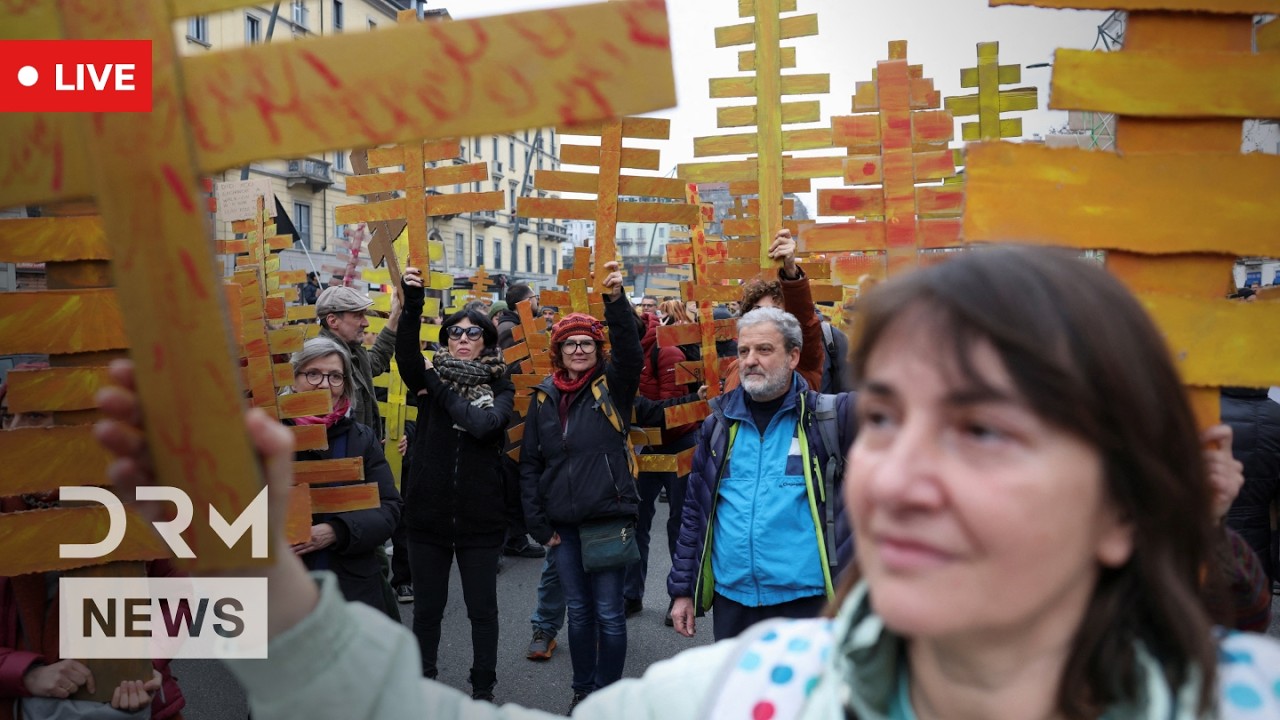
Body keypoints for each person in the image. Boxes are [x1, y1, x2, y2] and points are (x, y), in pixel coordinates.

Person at [94, 246, 1280, 720]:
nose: (902, 475)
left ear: (1126, 503)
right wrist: (250, 574)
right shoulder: (752, 694)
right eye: (887, 419)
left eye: (983, 434)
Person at [1, 364, 186, 720]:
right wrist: (26, 672)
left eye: (37, 415)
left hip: (123, 700)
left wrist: (143, 662)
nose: (15, 431)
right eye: (6, 417)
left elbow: (176, 593)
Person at [668, 307, 855, 641]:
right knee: (739, 694)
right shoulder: (718, 426)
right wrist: (682, 590)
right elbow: (695, 513)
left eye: (764, 350)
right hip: (733, 602)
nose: (750, 360)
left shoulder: (828, 417)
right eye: (743, 351)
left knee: (800, 695)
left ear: (793, 356)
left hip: (805, 603)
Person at [519, 261, 642, 711]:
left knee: (610, 614)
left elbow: (630, 353)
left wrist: (615, 301)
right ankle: (582, 692)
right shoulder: (544, 397)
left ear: (597, 348)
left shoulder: (613, 387)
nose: (577, 350)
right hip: (562, 526)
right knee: (580, 612)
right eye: (569, 344)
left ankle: (609, 698)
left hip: (609, 518)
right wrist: (537, 524)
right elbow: (530, 464)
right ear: (558, 351)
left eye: (586, 343)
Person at [395, 267, 515, 702]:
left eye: (473, 333)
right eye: (454, 333)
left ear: (486, 341)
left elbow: (483, 425)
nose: (462, 339)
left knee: (483, 612)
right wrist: (413, 302)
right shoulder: (423, 375)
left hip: (481, 521)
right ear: (446, 340)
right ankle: (422, 687)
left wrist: (436, 386)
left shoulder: (501, 384)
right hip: (427, 518)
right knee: (427, 613)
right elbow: (406, 353)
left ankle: (482, 690)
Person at [284, 337, 402, 620]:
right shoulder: (267, 438)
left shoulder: (360, 438)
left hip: (352, 588)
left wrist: (337, 531)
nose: (324, 385)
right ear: (293, 378)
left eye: (335, 376)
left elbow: (389, 509)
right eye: (313, 374)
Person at [623, 312, 701, 622]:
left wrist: (628, 411)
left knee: (680, 522)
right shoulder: (619, 355)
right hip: (642, 445)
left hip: (678, 443)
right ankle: (631, 595)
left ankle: (679, 597)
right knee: (635, 520)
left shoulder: (666, 350)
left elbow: (673, 410)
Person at [720, 230, 825, 393]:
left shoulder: (801, 364)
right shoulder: (735, 368)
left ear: (793, 356)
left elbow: (805, 324)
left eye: (775, 313)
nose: (764, 319)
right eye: (757, 311)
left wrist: (791, 272)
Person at [491, 283, 548, 560]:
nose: (537, 302)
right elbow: (514, 370)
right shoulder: (511, 330)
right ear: (524, 303)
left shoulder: (516, 325)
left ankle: (515, 534)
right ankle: (512, 537)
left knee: (516, 475)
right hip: (515, 412)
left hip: (519, 411)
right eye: (534, 298)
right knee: (512, 476)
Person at [316, 285, 401, 442]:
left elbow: (376, 360)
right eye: (357, 316)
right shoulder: (317, 362)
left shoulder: (353, 352)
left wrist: (395, 317)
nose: (366, 323)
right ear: (333, 320)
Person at [1221, 385, 1280, 584]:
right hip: (1257, 538)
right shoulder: (1277, 416)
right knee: (1252, 605)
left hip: (1204, 532)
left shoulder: (1204, 414)